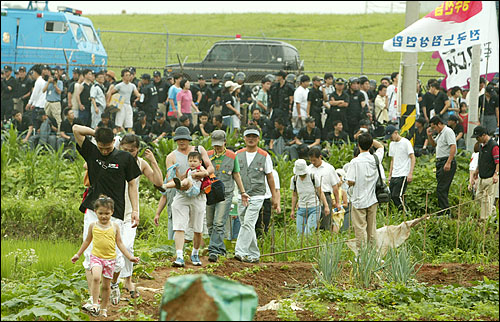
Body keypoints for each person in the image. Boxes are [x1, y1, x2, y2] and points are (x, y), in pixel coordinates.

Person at [72, 125, 142, 307]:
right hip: (93, 211)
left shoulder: (125, 158)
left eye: (108, 147)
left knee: (116, 257)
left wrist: (135, 210)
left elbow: (133, 185)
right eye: (101, 147)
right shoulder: (92, 152)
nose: (104, 151)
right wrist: (97, 133)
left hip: (115, 212)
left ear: (114, 142)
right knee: (90, 255)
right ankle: (93, 300)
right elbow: (76, 129)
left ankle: (113, 284)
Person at [155, 126, 214, 267]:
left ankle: (195, 252)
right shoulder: (171, 156)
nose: (181, 142)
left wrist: (202, 173)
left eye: (184, 139)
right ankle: (180, 255)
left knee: (197, 228)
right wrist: (176, 178)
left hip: (198, 193)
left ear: (189, 139)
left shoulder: (199, 150)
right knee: (179, 226)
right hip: (181, 193)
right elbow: (170, 177)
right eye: (179, 140)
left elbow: (211, 168)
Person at [71, 195, 139, 317]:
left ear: (112, 212)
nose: (104, 216)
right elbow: (87, 241)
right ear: (95, 212)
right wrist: (78, 254)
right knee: (96, 277)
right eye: (101, 213)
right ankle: (95, 304)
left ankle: (103, 309)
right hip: (96, 257)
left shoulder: (115, 226)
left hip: (110, 260)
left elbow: (120, 244)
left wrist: (130, 257)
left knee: (106, 287)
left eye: (107, 213)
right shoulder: (93, 226)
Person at [234, 126, 279, 263]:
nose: (251, 139)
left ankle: (240, 252)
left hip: (258, 195)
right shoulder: (238, 154)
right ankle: (254, 254)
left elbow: (270, 177)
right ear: (244, 138)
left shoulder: (265, 155)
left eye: (254, 136)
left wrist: (274, 196)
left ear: (258, 139)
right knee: (245, 224)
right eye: (249, 136)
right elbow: (234, 174)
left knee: (248, 222)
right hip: (242, 195)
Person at [206, 130, 249, 262]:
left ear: (225, 142)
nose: (217, 147)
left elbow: (236, 175)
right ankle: (221, 249)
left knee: (219, 222)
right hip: (210, 193)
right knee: (210, 224)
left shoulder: (232, 156)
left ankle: (213, 250)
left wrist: (242, 192)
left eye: (219, 144)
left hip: (226, 193)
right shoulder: (207, 156)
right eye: (215, 145)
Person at [346, 134, 385, 249]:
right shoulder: (375, 158)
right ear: (370, 144)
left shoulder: (355, 162)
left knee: (360, 228)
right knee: (372, 229)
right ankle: (374, 254)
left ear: (358, 145)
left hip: (358, 200)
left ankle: (362, 255)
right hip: (372, 198)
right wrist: (370, 140)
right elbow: (381, 147)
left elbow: (350, 181)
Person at [290, 159, 330, 235]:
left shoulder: (313, 177)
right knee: (299, 235)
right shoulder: (294, 179)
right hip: (301, 209)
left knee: (308, 234)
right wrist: (292, 210)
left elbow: (320, 192)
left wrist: (326, 206)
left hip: (314, 207)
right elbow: (294, 195)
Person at [426, 116, 457, 214]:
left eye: (434, 127)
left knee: (441, 188)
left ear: (439, 124)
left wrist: (448, 162)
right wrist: (429, 136)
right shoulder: (440, 134)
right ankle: (443, 210)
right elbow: (434, 144)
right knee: (441, 187)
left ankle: (445, 211)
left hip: (446, 161)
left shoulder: (448, 131)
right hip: (440, 162)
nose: (434, 129)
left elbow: (453, 146)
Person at [308, 148, 341, 231]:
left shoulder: (329, 168)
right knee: (313, 222)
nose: (313, 163)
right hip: (312, 196)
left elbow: (335, 187)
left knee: (326, 221)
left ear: (320, 157)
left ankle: (325, 238)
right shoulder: (308, 169)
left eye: (314, 160)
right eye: (311, 160)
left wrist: (337, 202)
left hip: (326, 195)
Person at [471, 126, 499, 222]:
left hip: (491, 177)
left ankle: (485, 222)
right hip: (482, 176)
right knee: (478, 197)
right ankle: (494, 215)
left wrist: (496, 174)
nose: (476, 139)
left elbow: (498, 161)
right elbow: (481, 159)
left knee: (486, 200)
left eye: (478, 137)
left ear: (484, 135)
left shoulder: (493, 146)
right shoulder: (481, 145)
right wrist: (477, 170)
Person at [385, 125, 415, 212]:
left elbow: (412, 157)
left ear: (396, 133)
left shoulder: (406, 142)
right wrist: (390, 175)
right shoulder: (392, 144)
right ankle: (397, 213)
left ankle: (405, 214)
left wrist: (410, 173)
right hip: (395, 173)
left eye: (391, 136)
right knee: (391, 196)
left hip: (403, 173)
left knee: (397, 196)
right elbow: (392, 160)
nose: (390, 138)